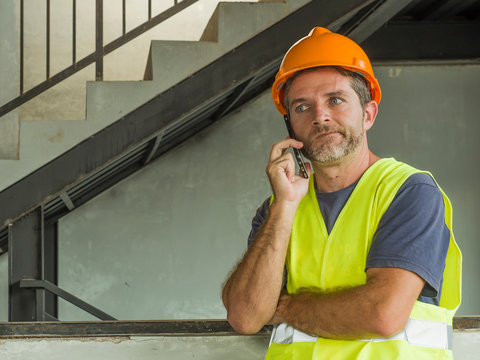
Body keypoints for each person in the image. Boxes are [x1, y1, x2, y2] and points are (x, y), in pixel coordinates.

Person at [222, 27, 462, 359]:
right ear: (291, 126)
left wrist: (286, 306)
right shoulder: (279, 208)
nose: (320, 116)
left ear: (367, 114)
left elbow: (383, 314)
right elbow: (247, 316)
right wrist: (285, 206)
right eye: (302, 107)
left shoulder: (407, 191)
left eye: (335, 100)